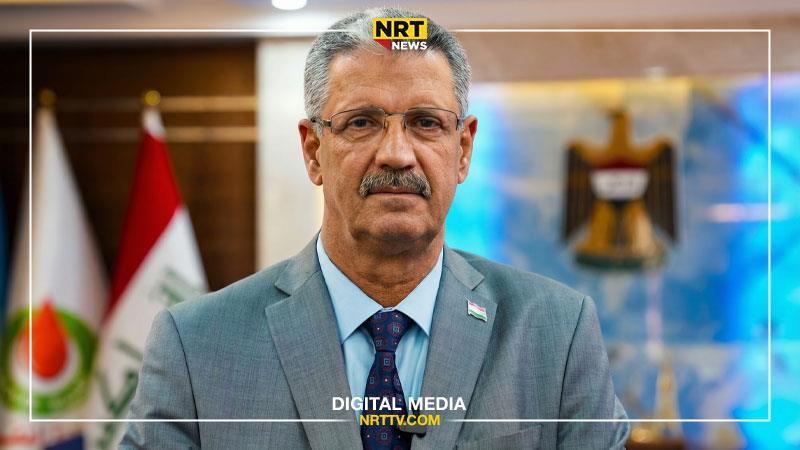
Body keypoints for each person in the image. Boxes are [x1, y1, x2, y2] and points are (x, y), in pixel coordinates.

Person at [121, 7, 629, 450]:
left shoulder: (557, 333)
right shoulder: (197, 346)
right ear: (313, 151)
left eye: (426, 122)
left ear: (463, 149)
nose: (396, 153)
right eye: (362, 122)